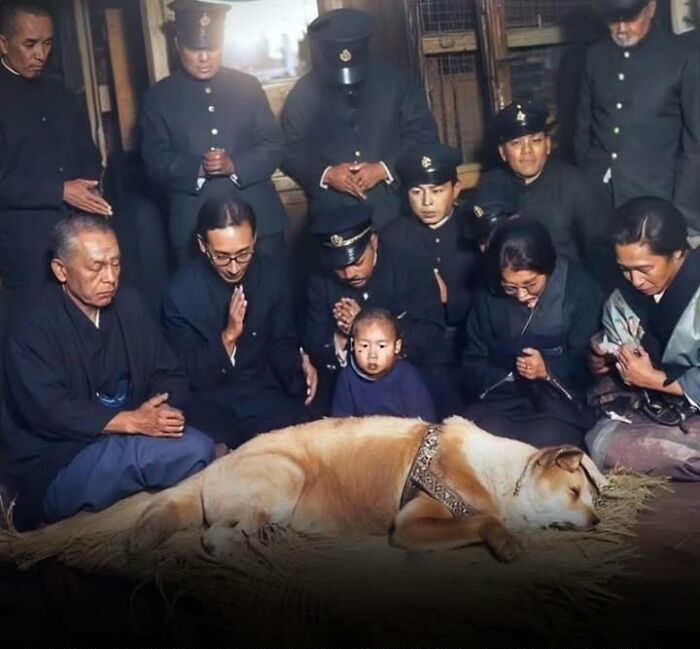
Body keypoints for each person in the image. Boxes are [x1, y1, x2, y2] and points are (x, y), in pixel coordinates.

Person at [1, 214, 214, 531]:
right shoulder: (31, 325)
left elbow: (168, 371)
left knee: (204, 438)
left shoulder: (129, 303)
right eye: (97, 266)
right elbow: (47, 410)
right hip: (61, 456)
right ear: (61, 270)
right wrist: (131, 422)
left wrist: (164, 412)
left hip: (131, 436)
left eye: (116, 263)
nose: (111, 277)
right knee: (195, 451)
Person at [163, 196, 317, 448]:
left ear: (254, 239)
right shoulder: (179, 292)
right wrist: (228, 337)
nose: (234, 268)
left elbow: (282, 340)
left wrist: (300, 368)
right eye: (222, 256)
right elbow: (185, 372)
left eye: (243, 254)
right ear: (203, 245)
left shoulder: (273, 274)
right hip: (209, 400)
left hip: (262, 392)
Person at [140, 0, 287, 265]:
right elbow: (153, 161)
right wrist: (197, 168)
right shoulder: (158, 97)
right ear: (178, 46)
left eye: (212, 48)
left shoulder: (248, 86)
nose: (204, 57)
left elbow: (274, 144)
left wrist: (234, 165)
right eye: (194, 49)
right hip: (193, 227)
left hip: (261, 223)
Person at [280, 7, 438, 231]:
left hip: (394, 207)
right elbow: (288, 148)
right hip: (333, 212)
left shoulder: (398, 80)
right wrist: (327, 174)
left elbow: (425, 134)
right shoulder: (305, 90)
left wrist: (384, 168)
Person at [0, 1, 111, 297]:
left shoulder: (60, 91)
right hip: (26, 245)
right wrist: (59, 190)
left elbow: (89, 153)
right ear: (3, 43)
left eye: (47, 43)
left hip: (78, 232)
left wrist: (90, 186)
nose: (40, 54)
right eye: (30, 44)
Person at [304, 204, 457, 416]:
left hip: (411, 374)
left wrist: (366, 326)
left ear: (374, 242)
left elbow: (432, 331)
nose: (349, 274)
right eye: (339, 267)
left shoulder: (412, 267)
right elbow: (313, 337)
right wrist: (340, 339)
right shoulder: (319, 280)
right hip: (350, 384)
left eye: (357, 262)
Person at [586, 197, 700, 479]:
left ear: (678, 253)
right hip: (668, 407)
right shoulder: (625, 296)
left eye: (644, 269)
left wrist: (655, 380)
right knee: (601, 442)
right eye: (625, 269)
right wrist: (606, 359)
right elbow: (619, 340)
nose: (635, 281)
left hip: (680, 397)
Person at [463, 219, 602, 448]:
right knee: (478, 440)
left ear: (548, 268)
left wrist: (547, 370)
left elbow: (586, 363)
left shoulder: (579, 288)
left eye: (530, 284)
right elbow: (473, 359)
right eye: (510, 287)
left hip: (559, 402)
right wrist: (508, 375)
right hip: (501, 399)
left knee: (543, 442)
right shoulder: (488, 295)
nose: (521, 296)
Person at [574, 0, 700, 236]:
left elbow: (696, 145)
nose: (621, 29)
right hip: (599, 199)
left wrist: (683, 216)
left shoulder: (684, 57)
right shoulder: (595, 56)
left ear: (650, 8)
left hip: (657, 202)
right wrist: (586, 187)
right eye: (613, 20)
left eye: (630, 18)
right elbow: (583, 129)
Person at [476, 99, 610, 269]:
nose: (527, 151)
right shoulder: (491, 186)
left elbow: (600, 249)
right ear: (503, 153)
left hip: (566, 286)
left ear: (548, 145)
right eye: (516, 143)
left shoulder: (574, 184)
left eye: (536, 141)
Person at [383, 141, 479, 323]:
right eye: (417, 192)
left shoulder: (475, 229)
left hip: (468, 335)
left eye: (436, 191)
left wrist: (448, 299)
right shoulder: (391, 238)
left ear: (455, 190)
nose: (427, 202)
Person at [331, 308, 436, 421]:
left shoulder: (407, 376)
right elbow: (339, 427)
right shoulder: (347, 378)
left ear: (397, 347)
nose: (372, 354)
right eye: (364, 345)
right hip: (360, 437)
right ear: (352, 345)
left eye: (381, 346)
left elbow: (425, 425)